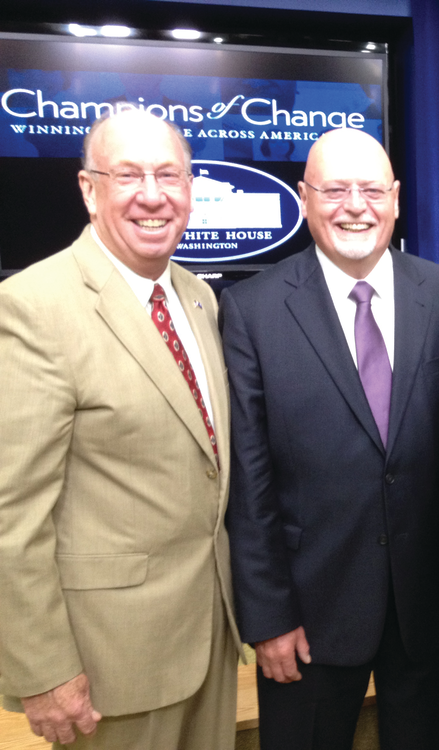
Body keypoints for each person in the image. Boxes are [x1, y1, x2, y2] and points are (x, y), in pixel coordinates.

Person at [221, 127, 439, 750]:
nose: (354, 206)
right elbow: (249, 483)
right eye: (334, 190)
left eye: (370, 190)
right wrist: (268, 616)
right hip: (309, 612)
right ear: (304, 199)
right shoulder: (250, 309)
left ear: (395, 199)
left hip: (431, 603)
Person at [0, 110, 240, 748]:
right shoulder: (33, 307)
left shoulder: (198, 296)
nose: (153, 194)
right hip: (110, 668)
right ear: (88, 189)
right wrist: (43, 670)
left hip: (209, 642)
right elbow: (12, 514)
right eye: (128, 175)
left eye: (170, 174)